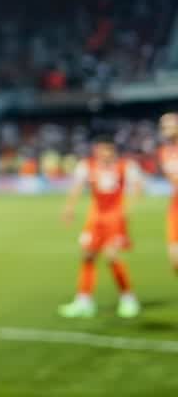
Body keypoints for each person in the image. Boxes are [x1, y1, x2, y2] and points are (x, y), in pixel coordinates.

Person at [58, 135, 142, 319]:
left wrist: (128, 209)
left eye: (107, 150)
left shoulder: (125, 166)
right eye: (100, 149)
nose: (103, 153)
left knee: (111, 256)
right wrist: (69, 208)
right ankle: (84, 301)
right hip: (95, 217)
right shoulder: (87, 165)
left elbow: (137, 187)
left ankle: (128, 298)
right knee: (87, 256)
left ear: (113, 150)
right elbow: (77, 186)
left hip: (115, 217)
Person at [159, 112, 178, 274]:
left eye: (169, 125)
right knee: (175, 261)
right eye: (163, 126)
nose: (165, 129)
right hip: (176, 206)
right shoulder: (164, 152)